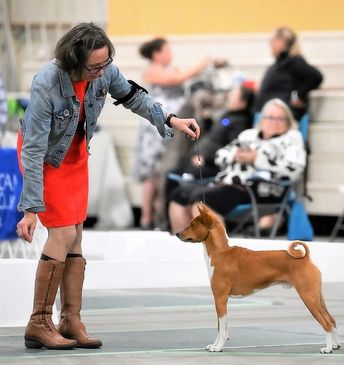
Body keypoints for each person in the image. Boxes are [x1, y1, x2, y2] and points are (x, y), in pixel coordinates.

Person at [16, 23, 200, 350]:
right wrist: (30, 208)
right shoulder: (47, 82)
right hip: (44, 156)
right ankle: (39, 322)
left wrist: (171, 120)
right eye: (94, 67)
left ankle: (71, 319)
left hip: (74, 157)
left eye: (105, 63)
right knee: (63, 233)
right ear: (74, 61)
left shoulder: (105, 71)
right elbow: (32, 148)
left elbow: (133, 97)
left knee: (77, 235)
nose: (102, 72)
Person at [168, 98, 306, 234]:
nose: (273, 122)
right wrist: (235, 155)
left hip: (261, 189)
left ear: (288, 121)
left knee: (204, 201)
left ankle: (220, 253)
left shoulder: (292, 138)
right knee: (179, 195)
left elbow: (294, 169)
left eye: (279, 118)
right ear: (262, 119)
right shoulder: (248, 135)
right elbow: (220, 156)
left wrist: (257, 159)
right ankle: (186, 250)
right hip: (227, 184)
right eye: (269, 117)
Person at [134, 37, 211, 229]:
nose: (170, 55)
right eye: (167, 51)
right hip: (156, 123)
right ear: (156, 54)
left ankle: (162, 215)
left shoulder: (171, 68)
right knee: (152, 171)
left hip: (176, 122)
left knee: (166, 168)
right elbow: (178, 79)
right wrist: (201, 64)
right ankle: (146, 217)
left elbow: (183, 75)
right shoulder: (152, 70)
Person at [162, 82, 256, 226]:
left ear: (243, 102)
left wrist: (206, 158)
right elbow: (217, 137)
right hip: (202, 161)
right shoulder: (228, 116)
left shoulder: (240, 122)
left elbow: (230, 149)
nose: (229, 96)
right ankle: (169, 226)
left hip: (212, 167)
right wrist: (207, 122)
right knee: (172, 176)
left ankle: (168, 224)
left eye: (233, 95)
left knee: (177, 183)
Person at [255, 26, 323, 121]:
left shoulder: (293, 61)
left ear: (281, 41)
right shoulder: (280, 62)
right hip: (268, 115)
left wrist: (298, 95)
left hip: (280, 117)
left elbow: (316, 77)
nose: (270, 45)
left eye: (272, 41)